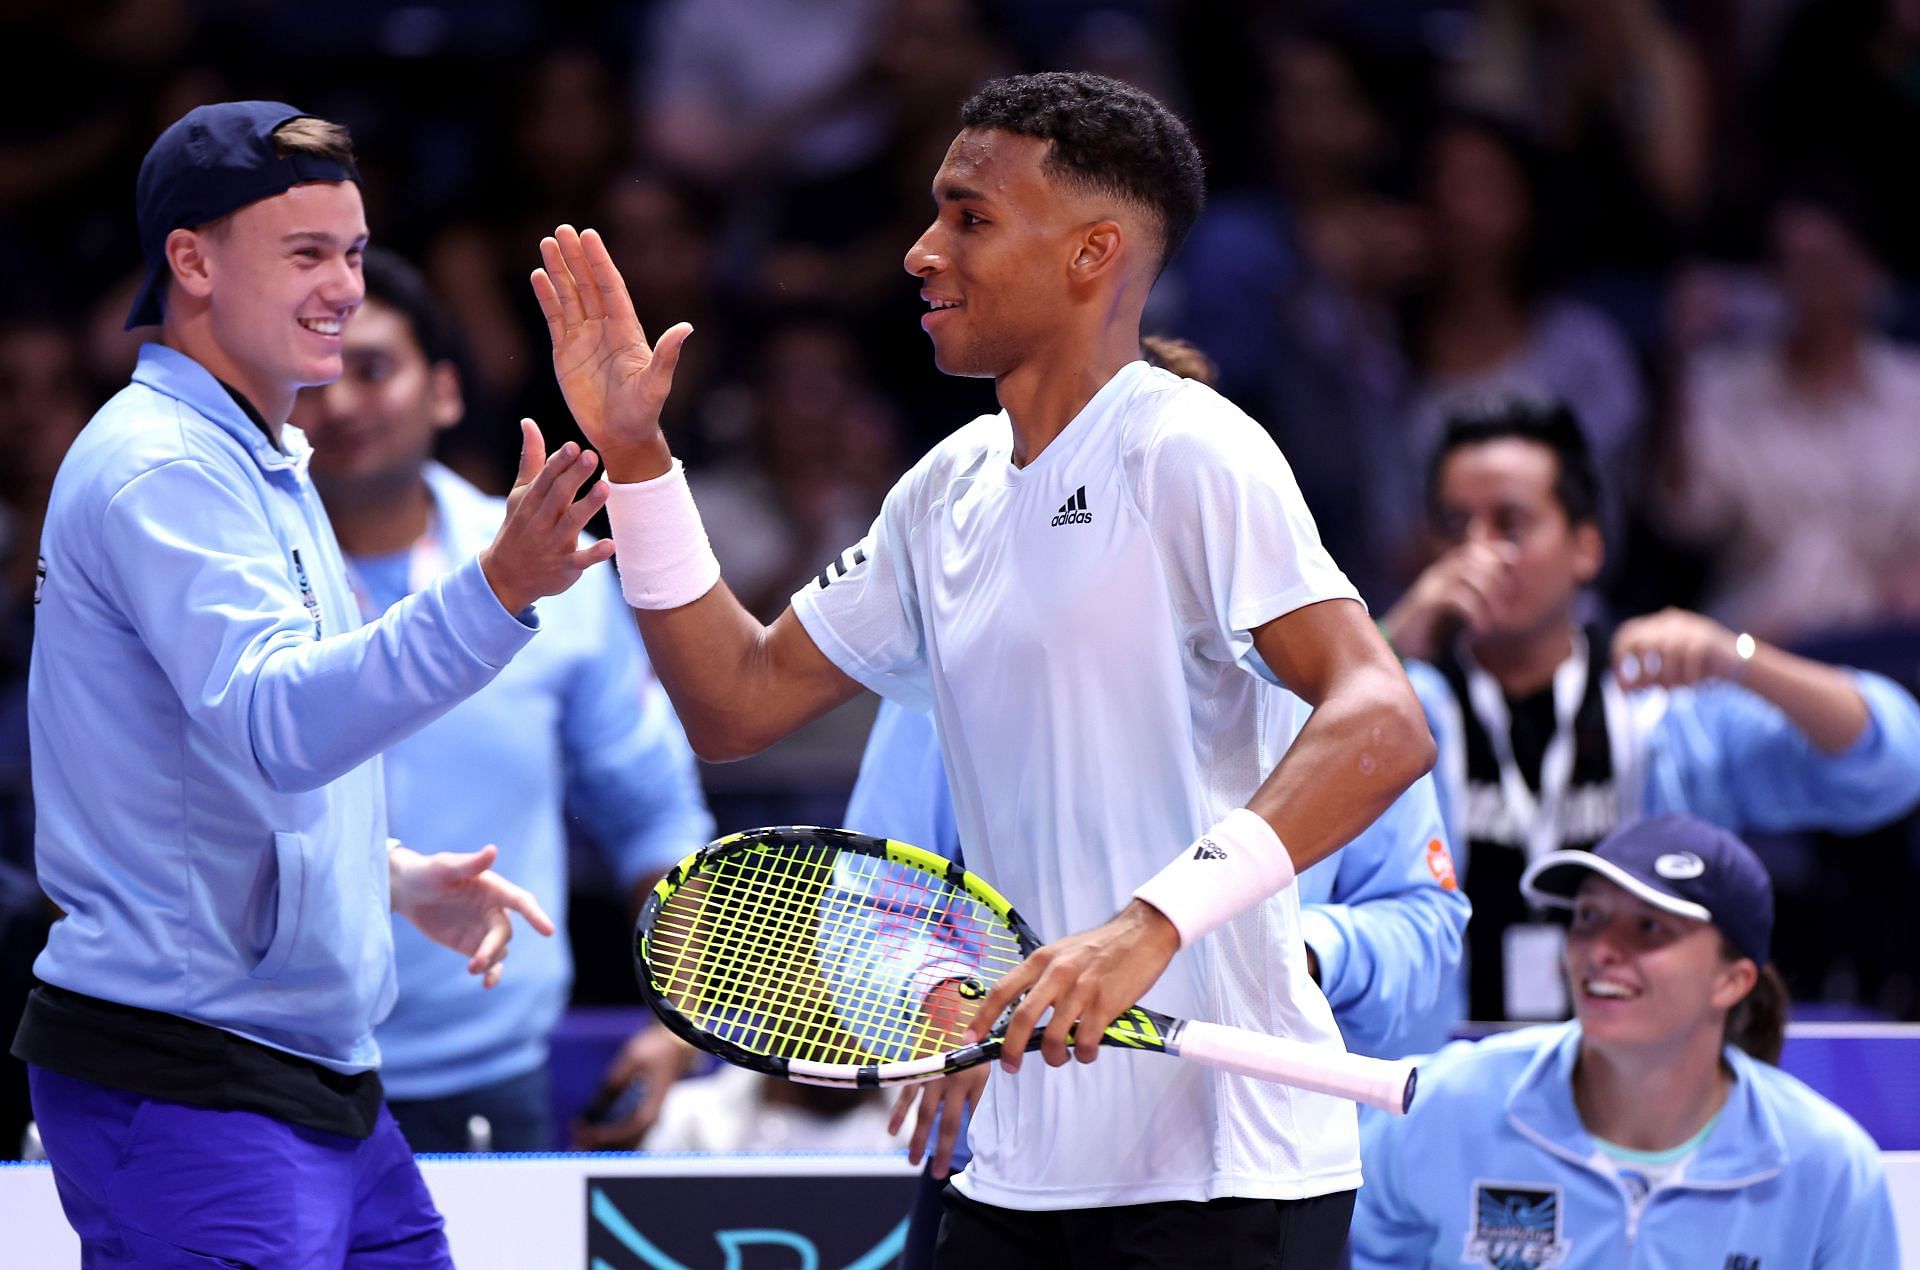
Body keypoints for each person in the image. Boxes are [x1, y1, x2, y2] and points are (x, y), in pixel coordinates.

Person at [536, 71, 1434, 1266]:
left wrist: (1148, 928)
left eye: (970, 217)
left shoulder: (1191, 448)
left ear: (1091, 253)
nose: (919, 251)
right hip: (1011, 1165)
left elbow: (1384, 721)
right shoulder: (943, 490)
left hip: (1226, 1174)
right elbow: (732, 702)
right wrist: (639, 460)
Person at [14, 102, 612, 1266]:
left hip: (305, 1077)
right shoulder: (161, 468)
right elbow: (282, 725)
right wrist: (495, 590)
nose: (344, 286)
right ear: (189, 259)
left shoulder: (257, 460)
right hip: (188, 1080)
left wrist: (378, 873)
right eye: (306, 255)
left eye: (350, 251)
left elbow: (199, 766)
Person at [294, 247, 715, 1153]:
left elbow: (652, 813)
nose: (341, 404)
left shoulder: (548, 554)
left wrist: (683, 1016)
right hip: (269, 1064)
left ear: (444, 391)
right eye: (315, 379)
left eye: (373, 369)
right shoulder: (237, 574)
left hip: (486, 1072)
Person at [846, 695, 1466, 1269]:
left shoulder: (1326, 674)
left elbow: (1423, 919)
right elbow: (867, 907)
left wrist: (1283, 954)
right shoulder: (949, 644)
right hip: (994, 1170)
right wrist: (939, 993)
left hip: (1250, 1175)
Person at [1381, 394, 1920, 1024]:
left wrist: (1739, 657)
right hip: (1446, 1078)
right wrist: (1387, 642)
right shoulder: (1402, 701)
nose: (1476, 553)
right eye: (1455, 527)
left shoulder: (1661, 703)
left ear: (1587, 547)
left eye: (1510, 524)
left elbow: (1892, 763)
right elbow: (1279, 793)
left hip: (1640, 1081)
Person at [1350, 814, 1899, 1267]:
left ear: (1732, 981)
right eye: (1588, 916)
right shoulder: (1443, 1103)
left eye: (1649, 928)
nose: (1599, 949)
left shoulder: (1825, 1167)